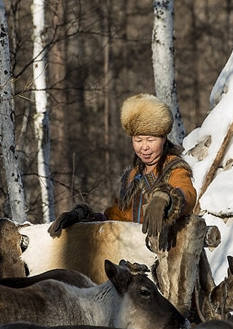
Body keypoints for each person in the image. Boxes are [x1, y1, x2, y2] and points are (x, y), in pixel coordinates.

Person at [48, 93, 197, 249]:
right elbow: (116, 218)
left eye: (151, 140)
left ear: (164, 138)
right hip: (135, 254)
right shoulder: (132, 177)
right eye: (138, 140)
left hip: (168, 252)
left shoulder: (174, 168)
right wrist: (83, 219)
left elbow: (187, 193)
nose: (144, 147)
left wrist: (167, 197)